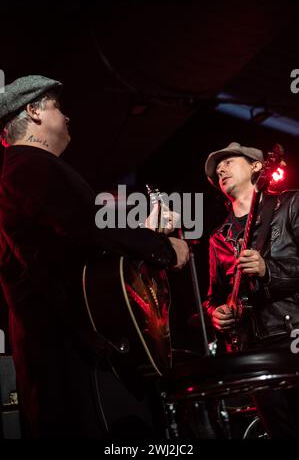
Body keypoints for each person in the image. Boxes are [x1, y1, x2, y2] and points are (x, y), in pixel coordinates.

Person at [0, 75, 189, 438]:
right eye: (57, 107)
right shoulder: (29, 165)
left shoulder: (30, 169)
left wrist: (143, 237)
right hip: (67, 353)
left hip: (78, 346)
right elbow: (88, 222)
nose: (67, 117)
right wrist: (163, 249)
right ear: (34, 110)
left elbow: (85, 239)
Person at [203, 142, 299, 438]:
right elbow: (213, 298)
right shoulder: (218, 238)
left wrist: (269, 269)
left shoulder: (291, 204)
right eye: (217, 171)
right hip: (252, 351)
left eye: (228, 162)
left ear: (257, 166)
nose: (221, 170)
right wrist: (215, 314)